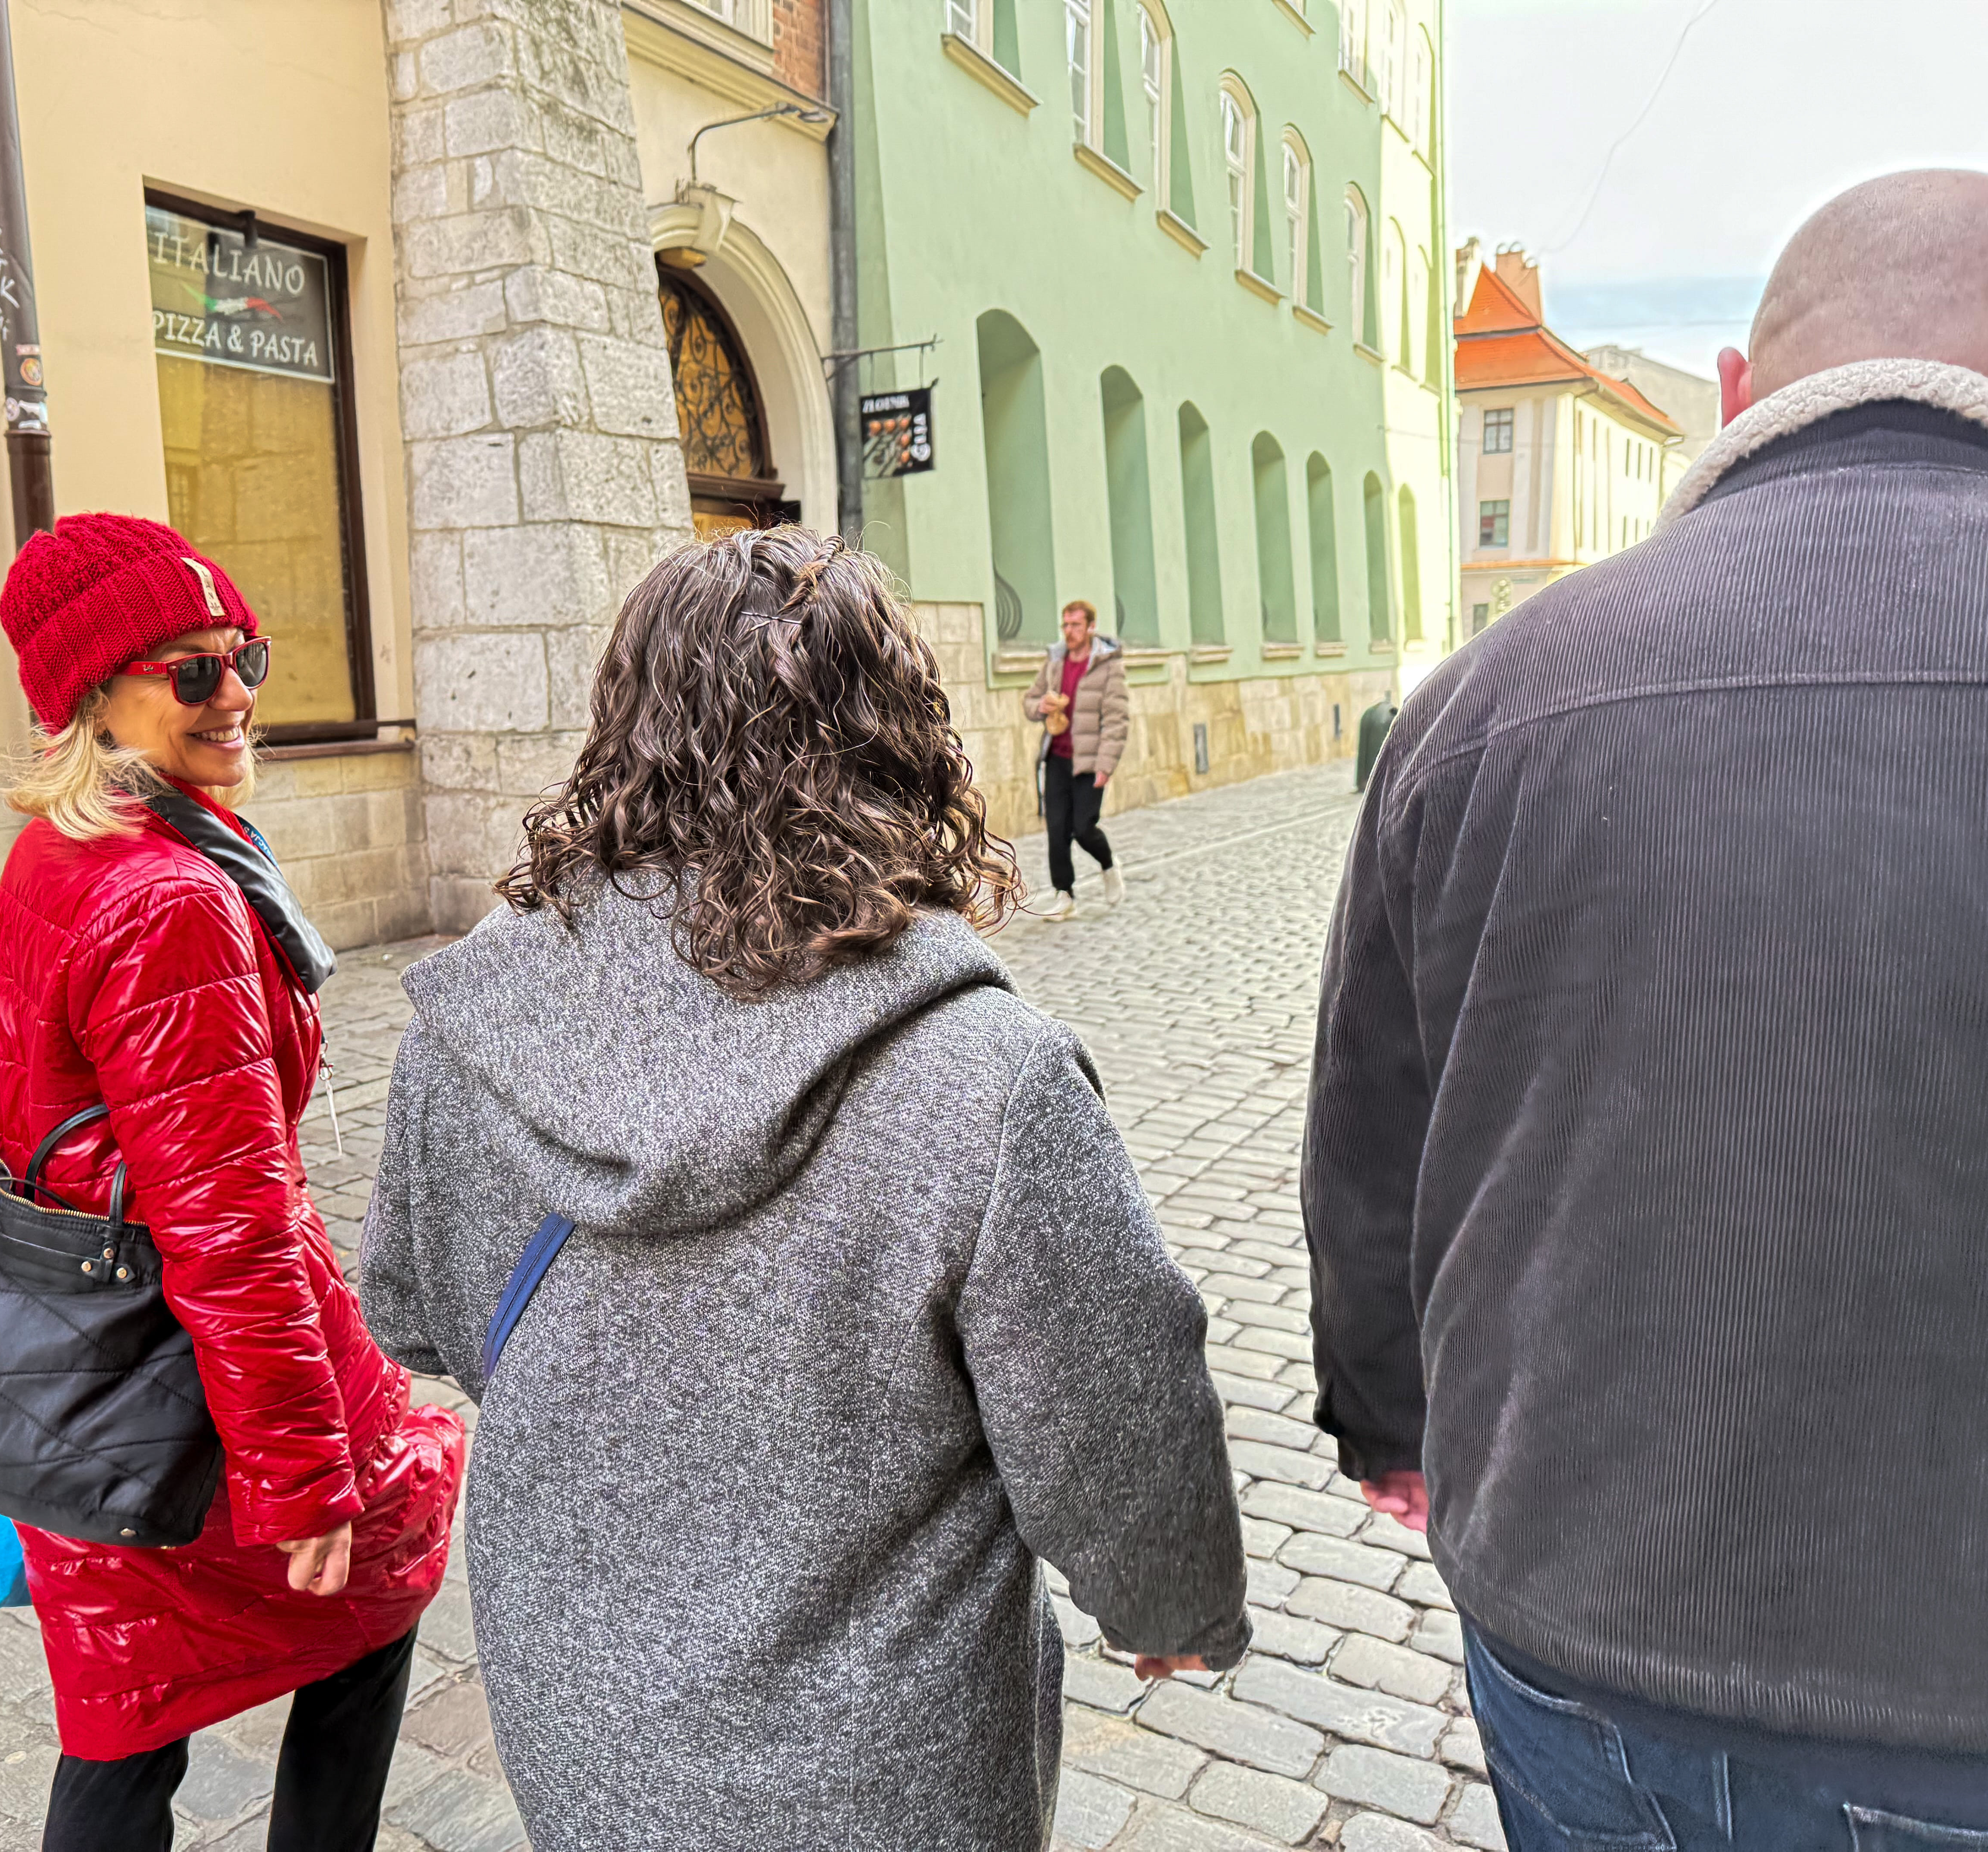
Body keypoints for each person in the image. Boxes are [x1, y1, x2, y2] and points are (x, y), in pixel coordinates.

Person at [358, 527, 1249, 1852]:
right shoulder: (986, 1077)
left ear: (625, 726)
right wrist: (1172, 1609)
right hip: (885, 1769)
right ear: (892, 737)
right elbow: (1117, 1402)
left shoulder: (474, 1027)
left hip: (585, 1719)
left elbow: (414, 1312)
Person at [1303, 169, 1988, 1849]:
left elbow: (1369, 1136)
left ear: (1741, 394)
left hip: (1576, 1625)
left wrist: (1386, 1422)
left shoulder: (1482, 700)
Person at [0, 512, 465, 1852]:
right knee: (374, 1581)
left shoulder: (63, 852)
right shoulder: (171, 898)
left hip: (78, 1360)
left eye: (243, 656)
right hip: (181, 1370)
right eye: (190, 670)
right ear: (96, 699)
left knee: (127, 1703)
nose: (236, 693)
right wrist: (302, 1475)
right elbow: (229, 1223)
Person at [1020, 598, 1128, 917]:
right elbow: (1030, 700)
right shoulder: (1056, 661)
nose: (1069, 631)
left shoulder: (1108, 666)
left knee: (1083, 829)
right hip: (1057, 758)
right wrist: (1040, 706)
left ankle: (1109, 864)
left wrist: (1106, 766)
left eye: (1076, 625)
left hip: (1090, 762)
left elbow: (1117, 720)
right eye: (1065, 625)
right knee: (1057, 830)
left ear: (1091, 627)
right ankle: (1064, 895)